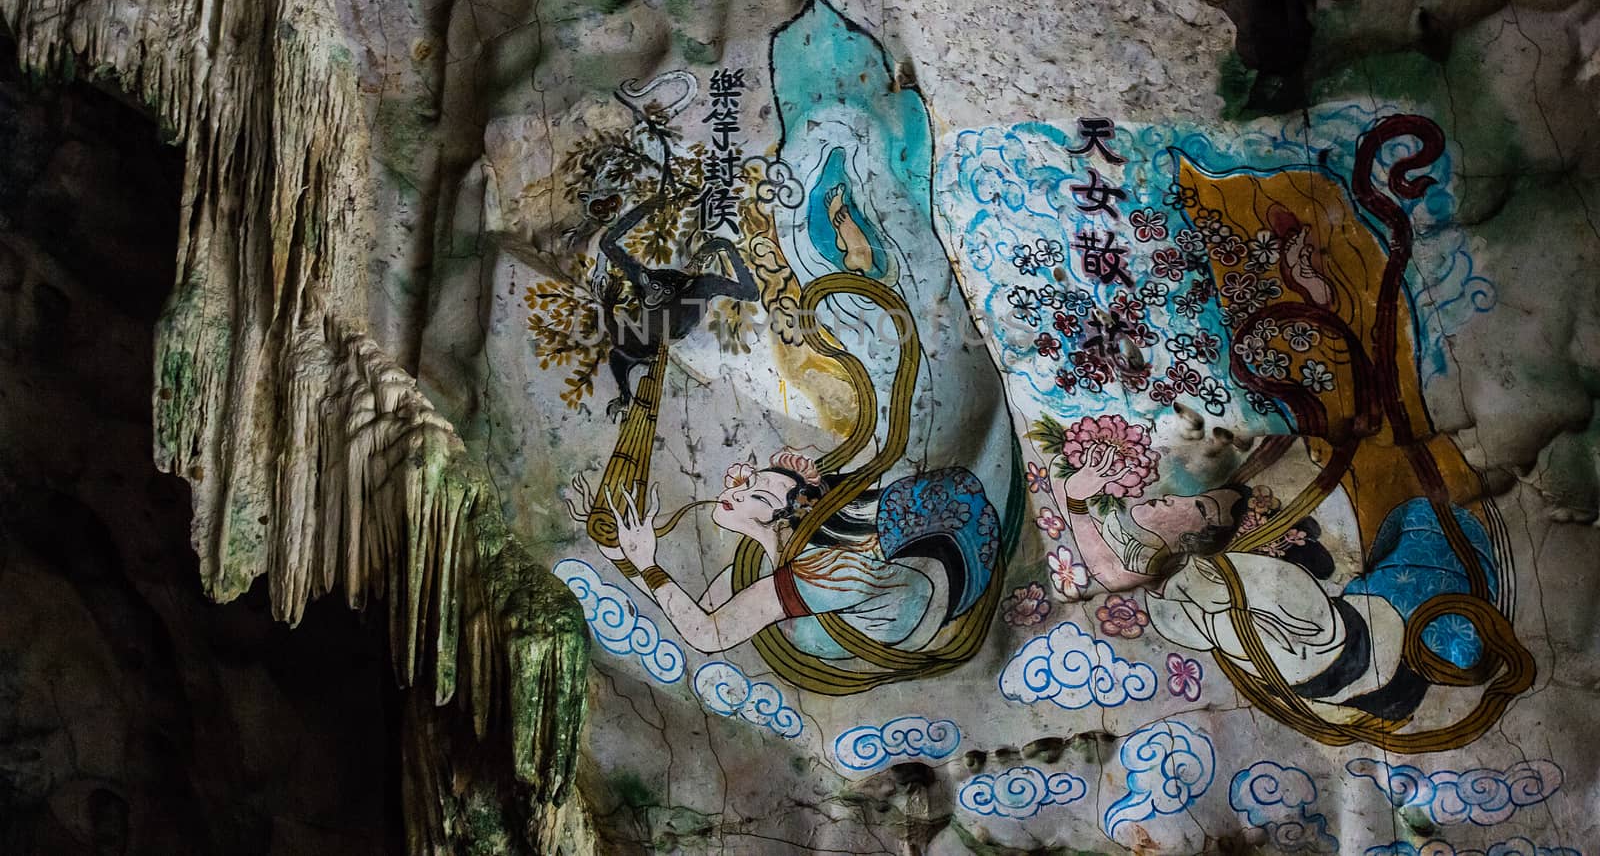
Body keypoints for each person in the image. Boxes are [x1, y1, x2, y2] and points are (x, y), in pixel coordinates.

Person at [1050, 441, 1499, 723]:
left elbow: (1113, 564)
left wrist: (1077, 498)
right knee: (1425, 540)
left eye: (1200, 505)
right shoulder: (1227, 577)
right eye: (1199, 503)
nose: (1172, 497)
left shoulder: (1181, 589)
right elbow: (1114, 565)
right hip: (1350, 650)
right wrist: (1077, 496)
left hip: (1342, 656)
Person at [565, 450, 988, 658]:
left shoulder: (825, 569)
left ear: (784, 517)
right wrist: (620, 550)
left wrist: (647, 563)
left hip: (924, 605)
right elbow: (693, 614)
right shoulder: (762, 572)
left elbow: (709, 636)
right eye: (745, 483)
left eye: (757, 493)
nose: (733, 491)